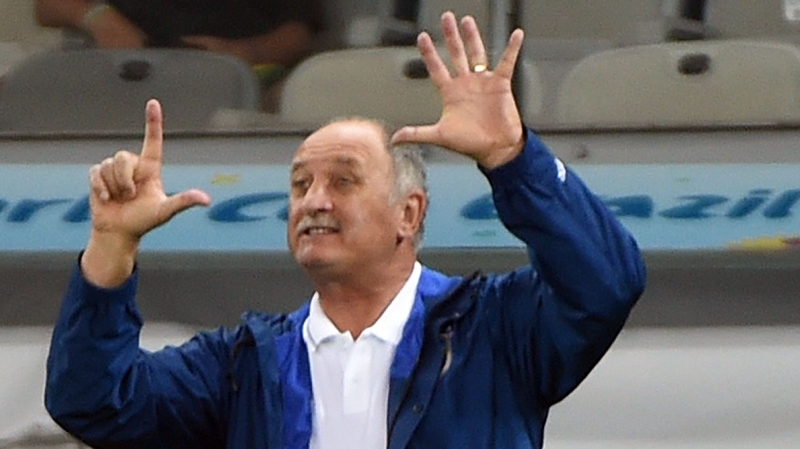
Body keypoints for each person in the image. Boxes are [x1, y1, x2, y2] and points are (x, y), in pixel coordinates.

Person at [44, 11, 646, 449]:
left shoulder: (494, 330)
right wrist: (111, 247)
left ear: (408, 215)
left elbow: (606, 284)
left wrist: (515, 158)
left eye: (343, 180)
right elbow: (93, 403)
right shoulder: (244, 364)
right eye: (300, 183)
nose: (314, 200)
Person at [33, 0, 322, 68]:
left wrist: (245, 54)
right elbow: (47, 7)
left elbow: (297, 34)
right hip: (118, 69)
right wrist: (100, 18)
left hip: (233, 78)